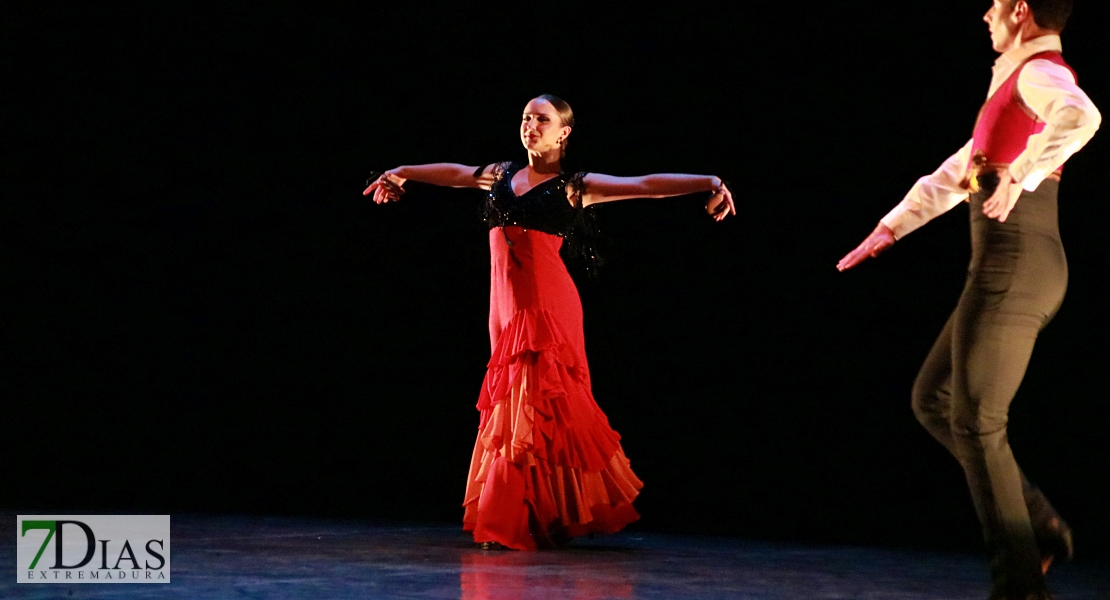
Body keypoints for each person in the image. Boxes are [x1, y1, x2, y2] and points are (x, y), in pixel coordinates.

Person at [364, 94, 735, 551]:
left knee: (537, 402)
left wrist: (709, 182)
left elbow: (643, 184)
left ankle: (510, 518)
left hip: (546, 307)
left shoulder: (574, 185)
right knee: (513, 403)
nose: (530, 125)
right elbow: (456, 173)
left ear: (563, 133)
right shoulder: (501, 175)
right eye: (525, 118)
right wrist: (404, 171)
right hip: (503, 306)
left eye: (542, 119)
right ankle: (543, 515)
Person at [837, 1, 1099, 598]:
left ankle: (1019, 581)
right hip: (1004, 266)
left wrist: (1021, 173)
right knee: (935, 399)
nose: (986, 13)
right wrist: (891, 227)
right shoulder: (1010, 84)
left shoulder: (1040, 72)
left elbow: (1082, 117)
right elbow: (959, 169)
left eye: (997, 4)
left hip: (1017, 264)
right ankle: (1038, 528)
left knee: (978, 418)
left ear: (1022, 11)